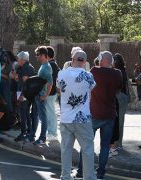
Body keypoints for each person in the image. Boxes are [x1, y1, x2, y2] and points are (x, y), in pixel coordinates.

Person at [77, 51, 122, 179]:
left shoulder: (94, 71)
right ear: (111, 61)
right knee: (105, 146)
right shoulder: (118, 73)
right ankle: (100, 173)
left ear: (101, 59)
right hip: (109, 115)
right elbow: (118, 89)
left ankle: (81, 171)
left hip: (94, 113)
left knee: (86, 143)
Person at [57, 50, 96, 180]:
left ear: (71, 59)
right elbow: (92, 88)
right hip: (83, 118)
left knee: (66, 149)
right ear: (85, 62)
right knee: (87, 149)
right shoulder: (88, 75)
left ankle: (66, 176)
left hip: (66, 118)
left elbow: (59, 89)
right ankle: (89, 177)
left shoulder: (61, 73)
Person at [109, 53, 129, 157]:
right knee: (118, 121)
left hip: (120, 97)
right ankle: (117, 143)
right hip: (121, 97)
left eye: (113, 60)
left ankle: (118, 144)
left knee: (119, 121)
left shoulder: (119, 72)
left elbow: (118, 86)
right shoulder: (121, 71)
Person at [14, 51, 36, 142]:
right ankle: (29, 132)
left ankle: (23, 133)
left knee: (23, 113)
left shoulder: (25, 68)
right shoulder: (28, 66)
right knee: (26, 113)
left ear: (23, 59)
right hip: (28, 94)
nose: (17, 60)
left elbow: (25, 82)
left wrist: (21, 95)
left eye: (18, 59)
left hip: (24, 94)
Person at [32, 46, 53, 145]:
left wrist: (45, 96)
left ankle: (42, 137)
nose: (36, 57)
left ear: (44, 55)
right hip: (38, 94)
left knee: (42, 117)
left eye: (38, 55)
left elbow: (50, 83)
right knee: (37, 115)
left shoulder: (47, 67)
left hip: (41, 95)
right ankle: (33, 135)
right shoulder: (43, 65)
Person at [46, 46, 60, 140]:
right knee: (50, 112)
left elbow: (50, 80)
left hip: (50, 92)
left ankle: (53, 133)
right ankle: (51, 132)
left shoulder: (51, 65)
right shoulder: (53, 64)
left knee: (51, 113)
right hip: (51, 92)